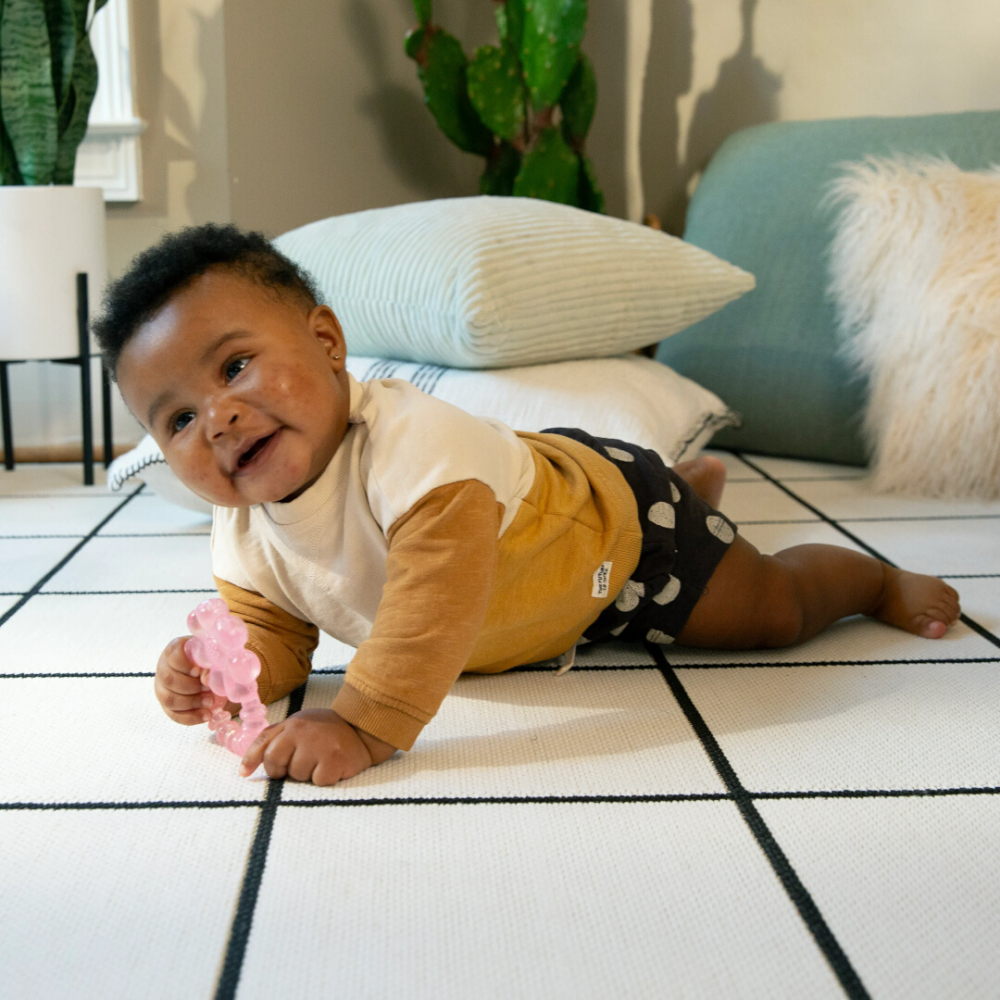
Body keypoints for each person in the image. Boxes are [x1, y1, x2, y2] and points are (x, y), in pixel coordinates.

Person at [95, 225, 961, 788]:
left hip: (622, 540)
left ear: (327, 344)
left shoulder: (413, 451)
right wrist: (228, 670)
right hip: (543, 594)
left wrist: (362, 726)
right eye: (176, 419)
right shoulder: (244, 529)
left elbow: (434, 605)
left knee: (771, 611)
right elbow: (279, 630)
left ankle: (865, 580)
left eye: (235, 367)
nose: (217, 418)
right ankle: (696, 487)